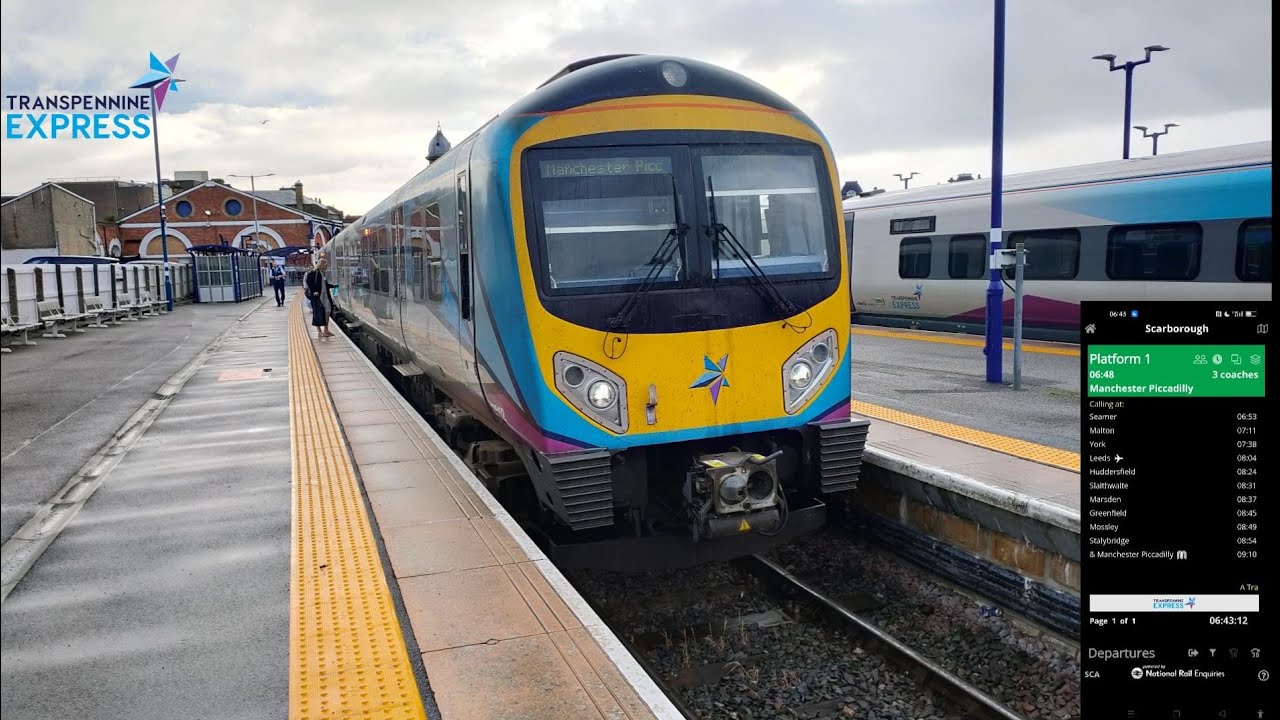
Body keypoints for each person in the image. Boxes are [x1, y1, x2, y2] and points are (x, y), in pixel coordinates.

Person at [304, 256, 337, 339]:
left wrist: (334, 286)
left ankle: (326, 329)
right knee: (317, 313)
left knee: (328, 311)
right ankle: (319, 331)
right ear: (321, 265)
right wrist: (313, 291)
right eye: (326, 265)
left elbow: (325, 285)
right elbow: (309, 282)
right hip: (317, 296)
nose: (327, 267)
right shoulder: (314, 273)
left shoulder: (323, 274)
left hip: (325, 296)